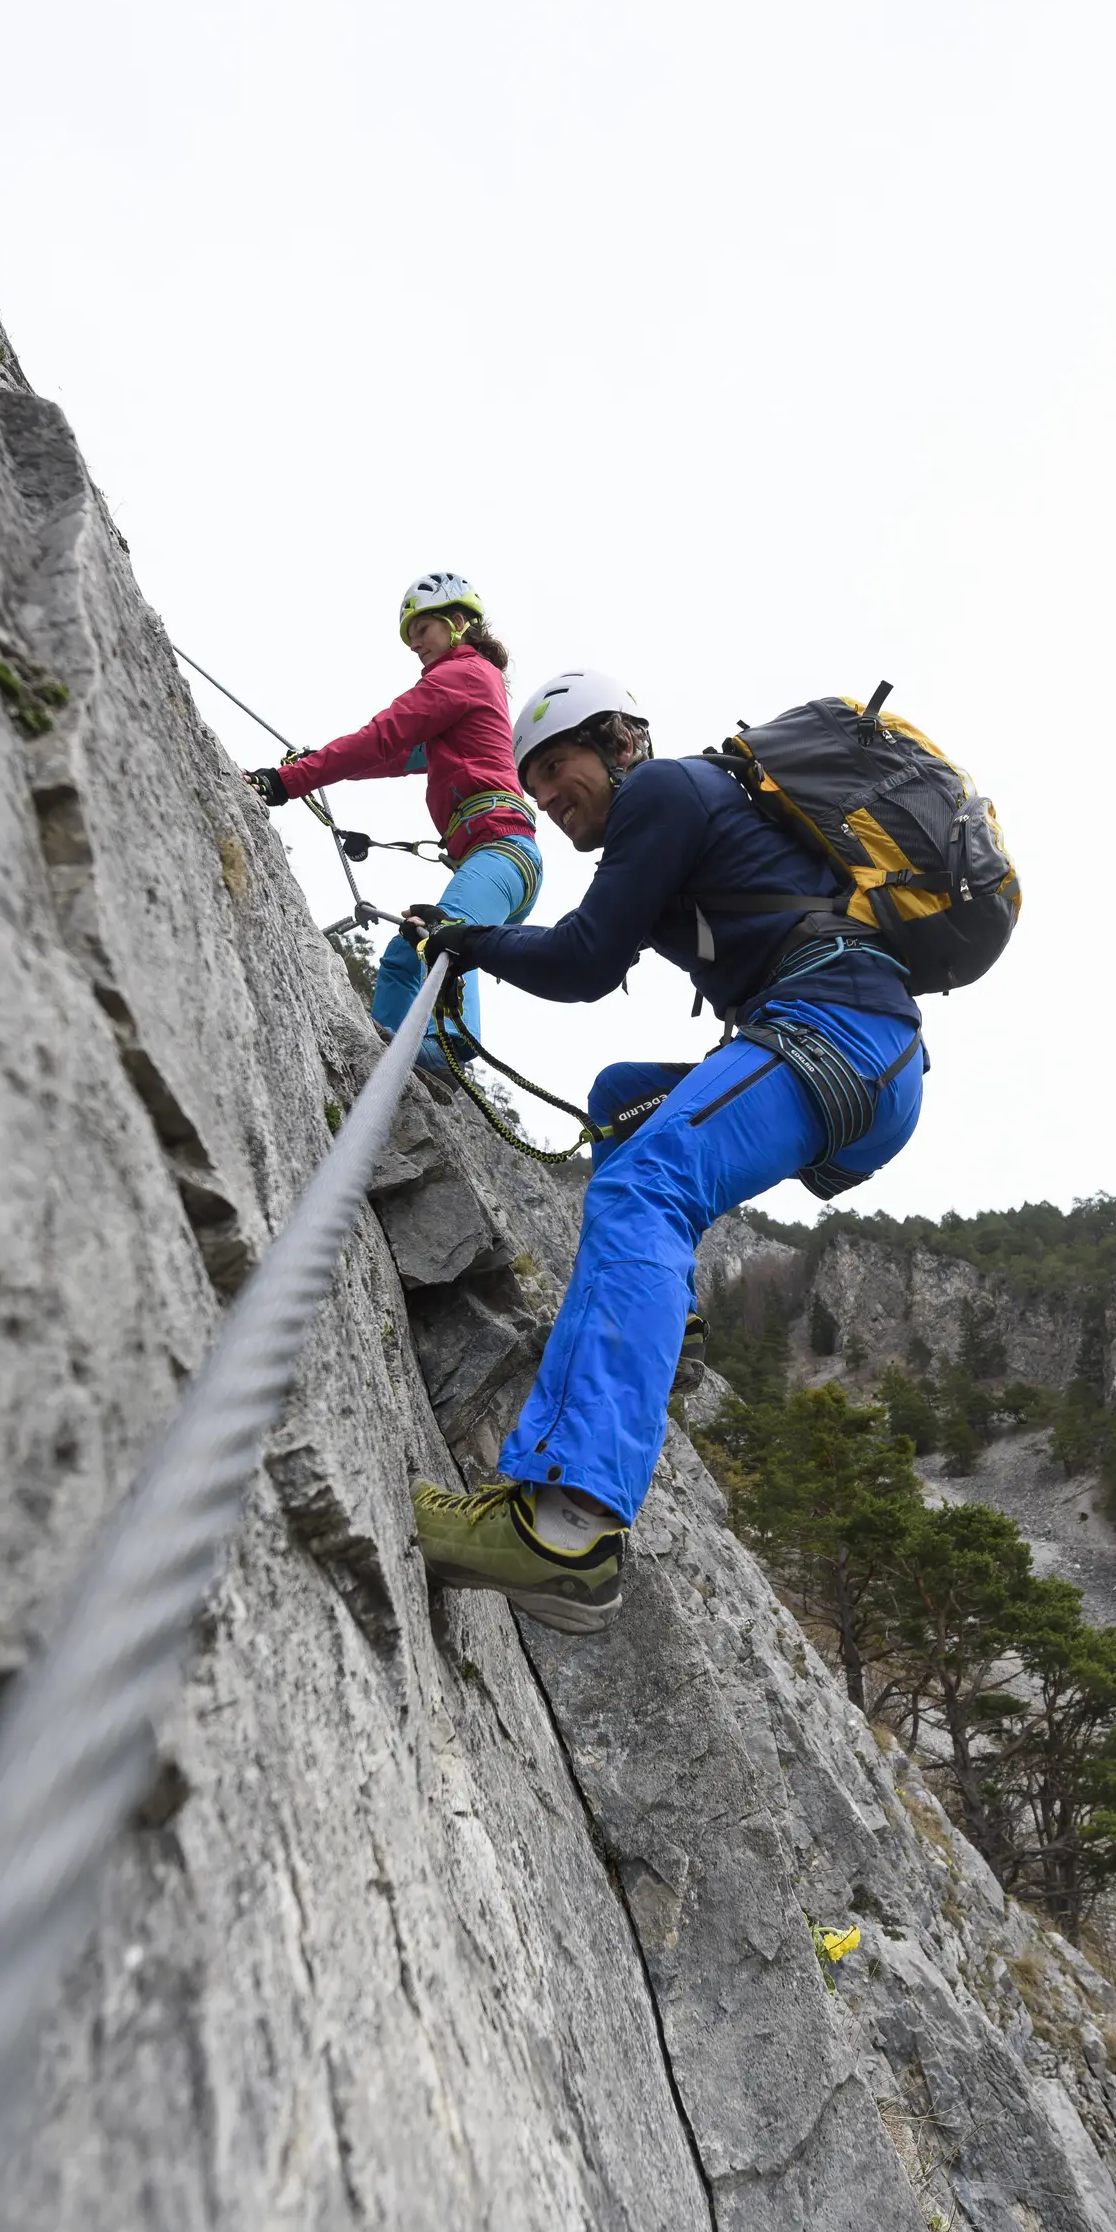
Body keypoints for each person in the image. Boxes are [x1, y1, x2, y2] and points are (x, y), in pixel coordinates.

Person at [402, 670, 928, 1634]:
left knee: (645, 1188)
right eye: (533, 782)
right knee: (621, 1104)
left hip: (835, 1031)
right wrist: (488, 943)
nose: (548, 798)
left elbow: (585, 960)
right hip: (863, 1053)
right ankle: (665, 1318)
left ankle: (566, 1530)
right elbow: (583, 960)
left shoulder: (663, 790)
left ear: (616, 743)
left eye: (558, 767)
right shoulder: (675, 813)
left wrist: (469, 942)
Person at [249, 573, 540, 1063]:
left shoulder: (463, 674)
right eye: (410, 637)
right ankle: (381, 1046)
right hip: (495, 860)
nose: (415, 644)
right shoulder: (471, 688)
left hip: (500, 851)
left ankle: (447, 1048)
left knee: (442, 946)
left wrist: (285, 781)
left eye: (422, 628)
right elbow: (397, 756)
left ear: (459, 622)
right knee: (404, 956)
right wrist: (315, 762)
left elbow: (381, 737)